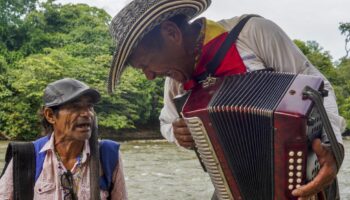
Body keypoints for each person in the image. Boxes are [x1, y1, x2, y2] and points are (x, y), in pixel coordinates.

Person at [107, 0, 345, 199]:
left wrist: (333, 147)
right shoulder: (176, 84)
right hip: (236, 188)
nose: (148, 76)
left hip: (306, 175)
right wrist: (178, 134)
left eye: (146, 64)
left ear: (172, 33)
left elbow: (317, 85)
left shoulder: (251, 33)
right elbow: (166, 122)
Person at [0, 78, 127, 200]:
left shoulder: (108, 155)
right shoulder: (25, 157)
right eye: (75, 107)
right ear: (50, 115)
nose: (87, 113)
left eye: (89, 107)